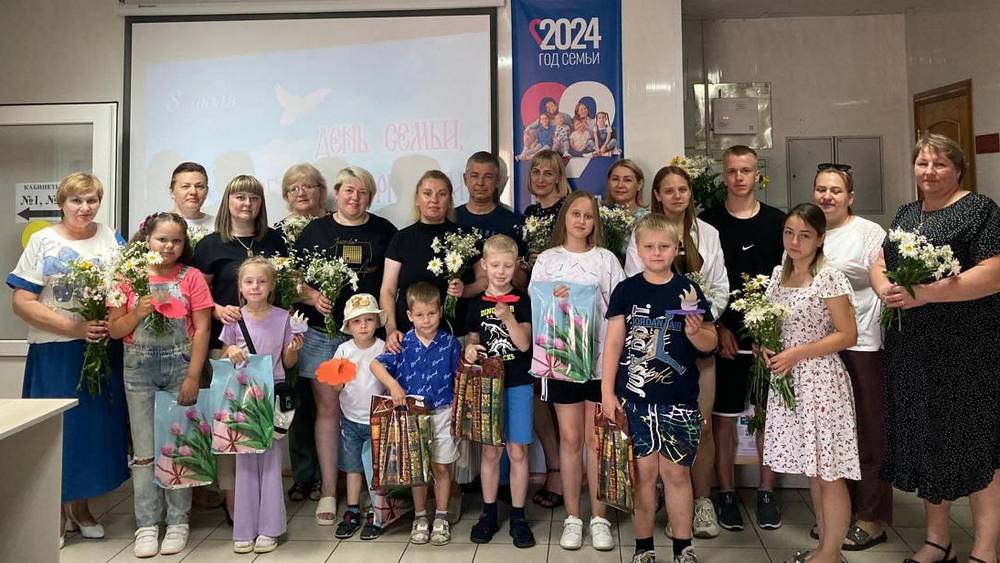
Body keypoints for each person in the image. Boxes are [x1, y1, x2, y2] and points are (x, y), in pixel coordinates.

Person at [871, 134, 1000, 563]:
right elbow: (881, 262)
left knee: (978, 445)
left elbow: (994, 273)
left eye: (940, 164)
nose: (929, 172)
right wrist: (885, 287)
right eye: (923, 163)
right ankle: (937, 541)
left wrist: (927, 294)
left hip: (967, 349)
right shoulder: (908, 213)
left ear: (958, 169)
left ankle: (984, 549)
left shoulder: (980, 211)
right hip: (912, 349)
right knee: (928, 442)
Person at [8, 172, 129, 548]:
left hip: (101, 349)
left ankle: (81, 507)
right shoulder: (44, 240)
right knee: (59, 431)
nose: (85, 207)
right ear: (62, 203)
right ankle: (53, 514)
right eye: (77, 200)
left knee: (93, 432)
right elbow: (22, 301)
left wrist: (111, 321)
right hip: (55, 351)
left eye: (92, 200)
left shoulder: (112, 238)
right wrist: (74, 328)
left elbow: (126, 289)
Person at [603, 213, 718, 563]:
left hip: (679, 401)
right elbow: (613, 344)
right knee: (643, 476)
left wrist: (695, 332)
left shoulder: (688, 291)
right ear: (637, 250)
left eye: (664, 246)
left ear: (676, 248)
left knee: (677, 474)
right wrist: (607, 392)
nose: (656, 253)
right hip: (635, 401)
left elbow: (710, 342)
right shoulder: (626, 291)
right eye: (649, 247)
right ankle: (644, 548)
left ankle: (683, 548)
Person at [625, 165, 730, 539]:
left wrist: (698, 319)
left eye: (682, 189)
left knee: (700, 425)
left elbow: (720, 285)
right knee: (655, 430)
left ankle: (701, 502)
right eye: (668, 190)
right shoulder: (642, 232)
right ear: (656, 194)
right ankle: (666, 502)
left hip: (697, 340)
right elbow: (634, 285)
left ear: (690, 193)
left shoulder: (708, 234)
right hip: (655, 347)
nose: (676, 196)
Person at [294, 166, 397, 524]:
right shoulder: (315, 230)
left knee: (372, 410)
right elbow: (293, 280)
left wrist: (389, 329)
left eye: (363, 192)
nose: (355, 197)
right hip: (324, 336)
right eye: (349, 190)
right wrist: (312, 296)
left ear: (371, 196)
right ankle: (329, 490)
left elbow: (391, 287)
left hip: (370, 338)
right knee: (328, 410)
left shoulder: (384, 231)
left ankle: (371, 487)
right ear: (336, 192)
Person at [108, 212, 212, 557]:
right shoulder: (128, 277)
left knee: (179, 445)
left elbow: (203, 328)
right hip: (138, 370)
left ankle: (179, 521)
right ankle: (147, 524)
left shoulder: (191, 277)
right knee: (144, 452)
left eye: (176, 241)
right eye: (162, 239)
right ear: (147, 240)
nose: (169, 246)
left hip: (180, 367)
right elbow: (115, 330)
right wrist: (137, 312)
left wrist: (193, 376)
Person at [762, 203, 859, 563]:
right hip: (789, 379)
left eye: (804, 235)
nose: (795, 241)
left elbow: (847, 334)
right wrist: (764, 345)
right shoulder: (778, 274)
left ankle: (831, 552)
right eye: (789, 233)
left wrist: (798, 353)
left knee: (829, 471)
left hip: (820, 381)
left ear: (819, 239)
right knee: (814, 471)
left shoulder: (828, 277)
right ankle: (823, 548)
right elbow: (772, 323)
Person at [529, 190, 626, 551]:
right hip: (561, 363)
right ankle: (573, 517)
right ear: (565, 218)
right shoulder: (548, 260)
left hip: (600, 364)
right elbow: (539, 307)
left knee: (596, 441)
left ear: (595, 221)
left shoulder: (606, 260)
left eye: (588, 215)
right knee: (570, 440)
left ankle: (599, 517)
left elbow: (619, 311)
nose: (582, 221)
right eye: (576, 214)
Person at [698, 145, 786, 531]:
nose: (738, 177)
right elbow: (703, 283)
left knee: (769, 417)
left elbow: (788, 279)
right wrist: (717, 327)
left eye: (745, 170)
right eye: (732, 171)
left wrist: (773, 331)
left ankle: (767, 492)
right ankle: (727, 493)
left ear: (756, 174)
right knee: (723, 418)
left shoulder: (777, 222)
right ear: (724, 175)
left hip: (769, 335)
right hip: (724, 335)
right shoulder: (708, 222)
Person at [192, 174, 287, 520]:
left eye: (254, 198)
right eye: (240, 197)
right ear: (227, 202)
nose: (247, 204)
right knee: (230, 425)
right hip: (225, 347)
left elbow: (284, 288)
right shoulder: (210, 245)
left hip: (267, 350)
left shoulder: (275, 240)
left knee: (264, 429)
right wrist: (219, 310)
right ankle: (235, 505)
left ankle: (264, 502)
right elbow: (198, 296)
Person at [812, 164, 891, 550]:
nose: (827, 196)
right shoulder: (809, 230)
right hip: (820, 345)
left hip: (861, 343)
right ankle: (839, 517)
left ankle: (871, 518)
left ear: (850, 197)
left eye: (836, 190)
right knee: (834, 436)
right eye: (821, 189)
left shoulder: (868, 232)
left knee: (868, 431)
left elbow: (881, 277)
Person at [219, 257, 302, 554]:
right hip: (242, 394)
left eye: (262, 281)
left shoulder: (283, 318)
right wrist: (230, 349)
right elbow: (223, 354)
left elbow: (288, 362)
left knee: (270, 461)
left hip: (272, 392)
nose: (255, 286)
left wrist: (293, 349)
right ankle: (244, 528)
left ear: (272, 285)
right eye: (249, 281)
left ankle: (270, 527)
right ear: (240, 287)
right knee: (244, 460)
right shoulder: (234, 318)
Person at [371, 282, 463, 546]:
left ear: (440, 311)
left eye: (432, 313)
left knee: (441, 466)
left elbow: (460, 377)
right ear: (410, 315)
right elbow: (375, 365)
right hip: (411, 416)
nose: (427, 320)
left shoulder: (449, 343)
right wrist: (393, 386)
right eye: (420, 315)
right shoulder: (403, 343)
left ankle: (441, 516)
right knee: (417, 468)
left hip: (443, 412)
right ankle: (420, 516)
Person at [464, 235, 535, 548]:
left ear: (515, 266)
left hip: (518, 384)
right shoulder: (475, 304)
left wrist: (507, 317)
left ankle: (518, 515)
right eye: (495, 265)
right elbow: (472, 342)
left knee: (518, 451)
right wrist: (469, 351)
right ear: (484, 265)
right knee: (491, 452)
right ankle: (489, 512)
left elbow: (524, 344)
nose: (501, 271)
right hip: (487, 388)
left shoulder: (523, 301)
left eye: (508, 265)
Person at [521, 150, 571, 510]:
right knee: (538, 393)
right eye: (535, 171)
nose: (540, 178)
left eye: (548, 172)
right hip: (532, 308)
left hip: (563, 311)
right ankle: (554, 466)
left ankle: (566, 473)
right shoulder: (528, 214)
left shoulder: (569, 210)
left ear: (559, 177)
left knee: (562, 392)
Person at [380, 170, 475, 349]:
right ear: (417, 199)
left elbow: (484, 282)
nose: (434, 200)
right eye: (427, 193)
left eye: (442, 194)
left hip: (457, 336)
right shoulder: (401, 239)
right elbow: (388, 290)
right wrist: (391, 329)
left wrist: (465, 290)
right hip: (409, 337)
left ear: (449, 201)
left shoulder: (465, 237)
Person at [324, 293, 388, 540]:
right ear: (348, 326)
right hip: (350, 420)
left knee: (375, 469)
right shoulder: (343, 350)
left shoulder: (382, 348)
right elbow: (336, 386)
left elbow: (389, 381)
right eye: (357, 321)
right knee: (352, 468)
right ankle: (352, 509)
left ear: (377, 322)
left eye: (369, 320)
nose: (363, 326)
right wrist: (337, 380)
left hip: (377, 420)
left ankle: (376, 511)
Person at [167, 162, 215, 242]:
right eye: (185, 186)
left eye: (199, 186)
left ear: (206, 191)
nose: (193, 192)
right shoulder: (157, 225)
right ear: (172, 192)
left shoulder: (219, 226)